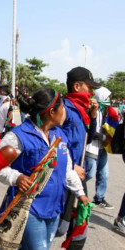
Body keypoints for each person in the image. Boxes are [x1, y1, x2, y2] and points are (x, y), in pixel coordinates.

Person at [0, 88, 88, 250]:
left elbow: (67, 170)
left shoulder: (60, 135)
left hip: (54, 207)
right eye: (62, 108)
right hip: (30, 208)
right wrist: (16, 178)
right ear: (52, 112)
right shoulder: (18, 136)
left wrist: (80, 193)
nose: (65, 111)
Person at [57, 66, 100, 249]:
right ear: (77, 87)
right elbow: (53, 144)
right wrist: (71, 166)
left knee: (81, 220)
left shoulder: (82, 111)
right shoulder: (63, 109)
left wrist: (92, 117)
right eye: (89, 87)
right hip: (63, 175)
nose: (91, 92)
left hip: (78, 176)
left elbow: (85, 141)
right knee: (57, 226)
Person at [85, 86, 116, 209]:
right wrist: (103, 138)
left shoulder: (107, 112)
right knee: (89, 174)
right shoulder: (93, 110)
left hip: (102, 149)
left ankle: (99, 198)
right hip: (91, 148)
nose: (109, 100)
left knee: (104, 174)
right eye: (107, 97)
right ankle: (72, 191)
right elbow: (90, 130)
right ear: (100, 97)